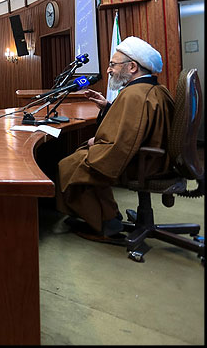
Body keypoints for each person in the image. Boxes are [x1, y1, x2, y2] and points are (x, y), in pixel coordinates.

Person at [57, 36, 174, 242]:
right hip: (154, 158)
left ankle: (105, 223)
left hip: (140, 163)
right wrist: (107, 107)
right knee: (84, 156)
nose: (109, 70)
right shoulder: (154, 89)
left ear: (132, 67)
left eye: (113, 65)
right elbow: (136, 127)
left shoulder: (133, 95)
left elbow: (123, 143)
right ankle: (109, 214)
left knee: (70, 165)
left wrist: (97, 143)